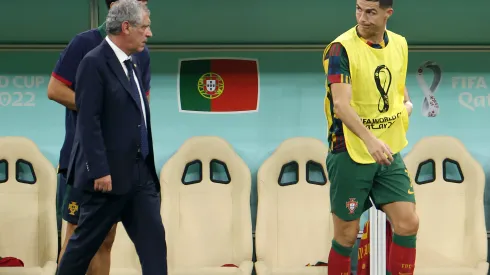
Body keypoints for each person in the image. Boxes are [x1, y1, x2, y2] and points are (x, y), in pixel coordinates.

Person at [55, 0, 166, 274]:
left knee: (154, 245)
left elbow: (140, 110)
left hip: (140, 175)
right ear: (126, 27)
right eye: (145, 27)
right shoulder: (92, 60)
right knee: (82, 246)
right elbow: (89, 121)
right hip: (106, 176)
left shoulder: (139, 59)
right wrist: (99, 169)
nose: (149, 33)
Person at [322, 0, 418, 274]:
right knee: (346, 236)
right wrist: (369, 140)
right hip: (349, 149)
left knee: (408, 223)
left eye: (370, 12)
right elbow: (340, 105)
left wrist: (405, 106)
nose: (362, 18)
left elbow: (398, 84)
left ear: (389, 13)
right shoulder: (341, 49)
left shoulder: (399, 43)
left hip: (387, 151)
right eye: (358, 9)